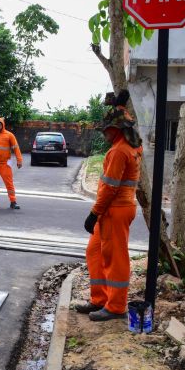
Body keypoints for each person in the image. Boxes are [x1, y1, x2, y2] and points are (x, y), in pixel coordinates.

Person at [78, 100, 142, 321]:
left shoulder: (119, 151)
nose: (103, 134)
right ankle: (100, 299)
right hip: (112, 210)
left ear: (115, 130)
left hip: (116, 209)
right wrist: (120, 105)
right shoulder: (129, 145)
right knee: (94, 252)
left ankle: (116, 306)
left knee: (116, 258)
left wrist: (94, 212)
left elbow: (110, 188)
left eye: (106, 130)